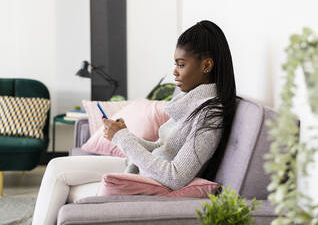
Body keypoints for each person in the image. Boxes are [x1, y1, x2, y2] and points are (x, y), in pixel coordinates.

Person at [32, 20, 237, 225]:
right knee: (56, 167)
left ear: (206, 65)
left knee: (59, 176)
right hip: (146, 169)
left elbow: (175, 176)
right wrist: (123, 134)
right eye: (175, 63)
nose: (174, 71)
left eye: (181, 64)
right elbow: (161, 148)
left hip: (154, 179)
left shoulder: (210, 114)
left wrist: (122, 138)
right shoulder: (193, 103)